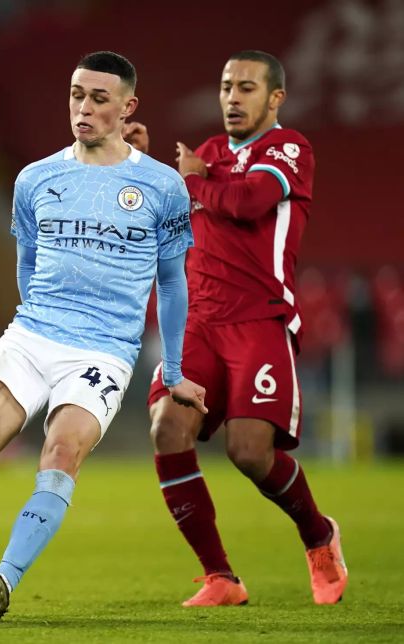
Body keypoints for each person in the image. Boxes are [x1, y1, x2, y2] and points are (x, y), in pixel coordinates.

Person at [0, 51, 205, 622]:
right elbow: (26, 265)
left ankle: (1, 581)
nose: (84, 107)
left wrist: (173, 370)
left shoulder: (162, 186)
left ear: (128, 107)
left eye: (100, 99)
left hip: (104, 349)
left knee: (59, 453)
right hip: (33, 335)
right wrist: (34, 321)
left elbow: (173, 283)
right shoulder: (36, 178)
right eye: (77, 94)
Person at [146, 50, 348, 607]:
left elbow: (248, 201)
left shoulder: (288, 148)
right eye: (226, 86)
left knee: (250, 452)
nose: (233, 97)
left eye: (247, 88)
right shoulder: (207, 154)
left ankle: (318, 535)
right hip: (199, 321)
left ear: (275, 97)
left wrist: (195, 180)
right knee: (167, 428)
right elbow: (169, 202)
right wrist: (138, 161)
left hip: (260, 319)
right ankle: (220, 577)